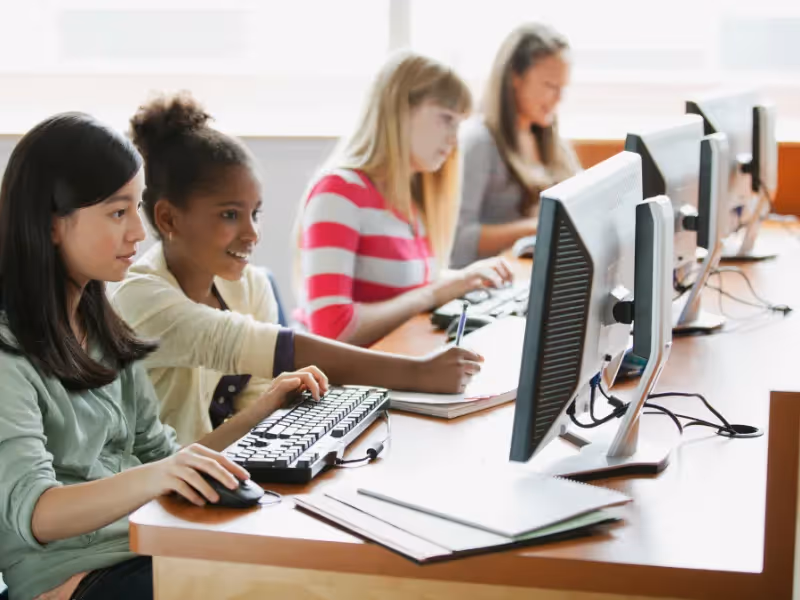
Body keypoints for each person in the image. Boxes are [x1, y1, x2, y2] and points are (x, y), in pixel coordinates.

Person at [0, 113, 325, 600]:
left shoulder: (105, 331)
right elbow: (37, 514)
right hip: (73, 579)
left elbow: (165, 458)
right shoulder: (9, 354)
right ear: (50, 224)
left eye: (137, 207)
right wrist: (159, 475)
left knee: (305, 563)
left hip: (147, 544)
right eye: (117, 212)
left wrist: (262, 414)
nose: (137, 231)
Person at [110, 94, 483, 445]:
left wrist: (276, 408)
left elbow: (252, 412)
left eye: (254, 213)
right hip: (145, 494)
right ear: (169, 218)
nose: (252, 233)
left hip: (198, 472)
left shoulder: (250, 287)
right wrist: (417, 373)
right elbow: (272, 349)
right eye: (229, 215)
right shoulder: (142, 299)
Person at [294, 51, 514, 346]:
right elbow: (332, 330)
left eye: (458, 125)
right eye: (446, 119)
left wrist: (465, 278)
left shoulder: (410, 200)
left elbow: (402, 287)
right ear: (400, 112)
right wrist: (437, 292)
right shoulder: (339, 193)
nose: (454, 139)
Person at [450, 23, 582, 268]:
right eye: (550, 86)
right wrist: (541, 225)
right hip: (491, 283)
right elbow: (460, 237)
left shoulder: (551, 140)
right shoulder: (479, 141)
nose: (559, 99)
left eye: (563, 88)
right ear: (515, 77)